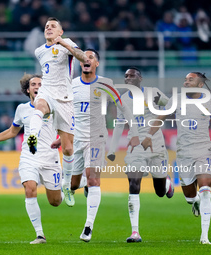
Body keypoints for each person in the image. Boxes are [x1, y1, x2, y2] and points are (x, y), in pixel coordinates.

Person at [52, 49, 140, 242]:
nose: (87, 59)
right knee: (73, 184)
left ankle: (88, 227)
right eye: (84, 56)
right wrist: (62, 137)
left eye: (91, 57)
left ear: (96, 64)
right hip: (76, 139)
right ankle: (82, 185)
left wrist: (133, 131)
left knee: (94, 180)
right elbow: (67, 114)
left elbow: (123, 107)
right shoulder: (72, 85)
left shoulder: (106, 84)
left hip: (96, 137)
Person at [0, 74, 62, 244]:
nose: (37, 86)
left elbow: (68, 127)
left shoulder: (55, 106)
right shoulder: (22, 109)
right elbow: (12, 131)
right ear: (28, 89)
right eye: (33, 84)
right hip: (29, 156)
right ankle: (40, 235)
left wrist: (62, 141)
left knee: (55, 201)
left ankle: (67, 185)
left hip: (50, 158)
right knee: (29, 188)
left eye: (40, 84)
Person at [141, 72, 211, 245]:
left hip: (204, 151)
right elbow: (159, 119)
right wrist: (149, 136)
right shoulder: (176, 100)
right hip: (184, 154)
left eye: (191, 79)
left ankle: (204, 237)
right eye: (185, 79)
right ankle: (193, 202)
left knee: (205, 191)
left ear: (200, 84)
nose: (186, 82)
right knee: (190, 196)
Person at [107, 67, 175, 243]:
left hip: (156, 144)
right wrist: (112, 150)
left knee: (160, 192)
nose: (128, 78)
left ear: (140, 78)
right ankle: (135, 231)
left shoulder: (153, 94)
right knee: (134, 182)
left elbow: (169, 107)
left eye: (131, 75)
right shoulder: (122, 100)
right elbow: (119, 125)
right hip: (135, 146)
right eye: (126, 76)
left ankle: (166, 181)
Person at [27, 17, 88, 207]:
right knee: (40, 107)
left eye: (53, 26)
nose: (48, 28)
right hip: (47, 93)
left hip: (65, 99)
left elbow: (84, 58)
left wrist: (64, 44)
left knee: (68, 149)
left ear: (60, 32)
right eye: (46, 26)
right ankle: (32, 136)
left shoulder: (67, 44)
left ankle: (67, 186)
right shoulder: (39, 51)